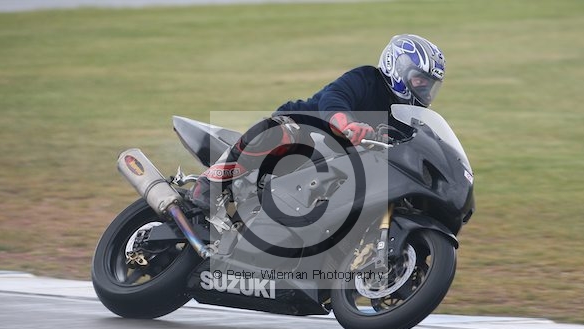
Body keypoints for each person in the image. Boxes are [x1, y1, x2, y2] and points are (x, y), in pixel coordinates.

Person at [189, 33, 446, 211]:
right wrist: (347, 124)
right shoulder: (367, 78)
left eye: (430, 85)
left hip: (341, 170)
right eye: (419, 80)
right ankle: (210, 183)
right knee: (283, 132)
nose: (424, 90)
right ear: (397, 68)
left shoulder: (407, 118)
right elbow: (333, 99)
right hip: (304, 136)